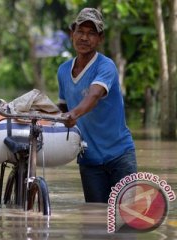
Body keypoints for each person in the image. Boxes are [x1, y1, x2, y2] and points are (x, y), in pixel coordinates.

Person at [56, 8, 137, 203]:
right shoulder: (63, 70)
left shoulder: (105, 66)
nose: (84, 38)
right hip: (89, 160)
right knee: (95, 224)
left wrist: (73, 114)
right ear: (72, 33)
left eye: (91, 33)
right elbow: (62, 109)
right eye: (80, 31)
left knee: (125, 222)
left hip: (120, 156)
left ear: (100, 38)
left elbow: (94, 95)